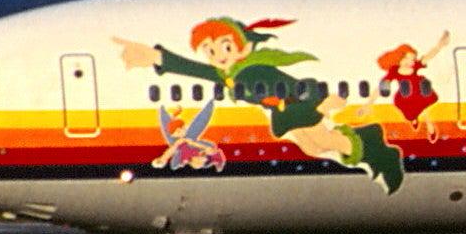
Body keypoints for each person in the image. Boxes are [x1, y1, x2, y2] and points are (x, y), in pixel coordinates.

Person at [113, 16, 404, 193]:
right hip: (284, 117)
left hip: (297, 110)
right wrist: (156, 58)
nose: (218, 55)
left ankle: (370, 144)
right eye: (210, 50)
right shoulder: (229, 74)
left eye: (225, 47)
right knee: (315, 147)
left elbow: (294, 84)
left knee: (323, 142)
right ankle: (367, 145)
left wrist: (319, 103)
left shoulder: (258, 70)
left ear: (243, 47)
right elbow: (196, 70)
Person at [377, 31, 449, 133]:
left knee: (424, 104)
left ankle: (428, 123)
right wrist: (368, 104)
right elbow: (383, 84)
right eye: (406, 58)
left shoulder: (414, 67)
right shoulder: (394, 71)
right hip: (405, 97)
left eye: (412, 59)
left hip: (419, 92)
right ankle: (414, 119)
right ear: (399, 58)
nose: (410, 62)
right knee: (410, 114)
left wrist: (439, 46)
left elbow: (427, 57)